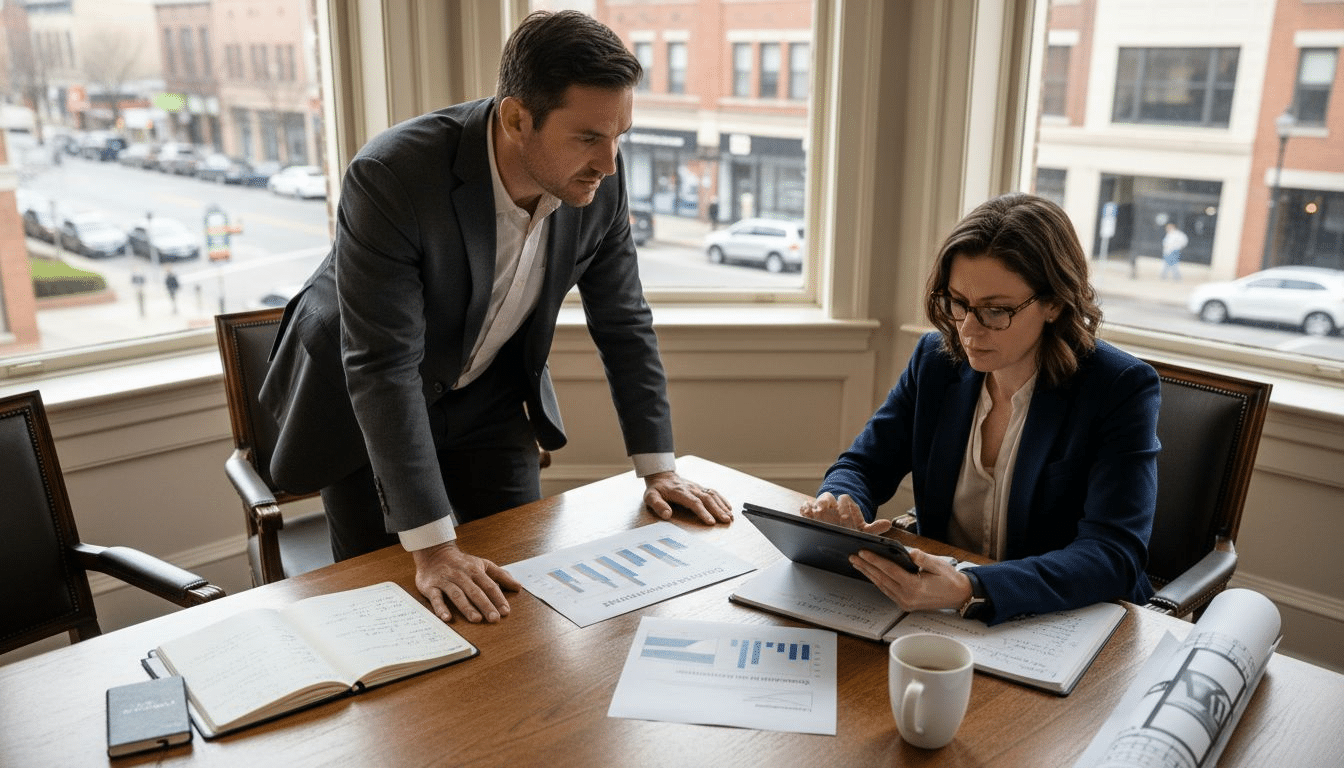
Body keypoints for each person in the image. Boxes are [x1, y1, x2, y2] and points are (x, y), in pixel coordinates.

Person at [260, 10, 733, 626]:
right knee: (390, 611)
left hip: (490, 397)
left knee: (524, 597)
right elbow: (383, 365)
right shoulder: (391, 176)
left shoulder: (599, 185)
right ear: (516, 118)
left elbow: (624, 324)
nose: (610, 164)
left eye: (621, 135)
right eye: (588, 137)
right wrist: (433, 548)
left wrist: (659, 469)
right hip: (366, 407)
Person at [800, 193, 1160, 625]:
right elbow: (863, 464)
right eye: (958, 302)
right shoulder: (936, 361)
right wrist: (840, 503)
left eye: (995, 310)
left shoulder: (1118, 388)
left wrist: (972, 588)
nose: (968, 330)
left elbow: (1113, 555)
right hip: (940, 606)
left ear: (1054, 303)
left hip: (1065, 619)